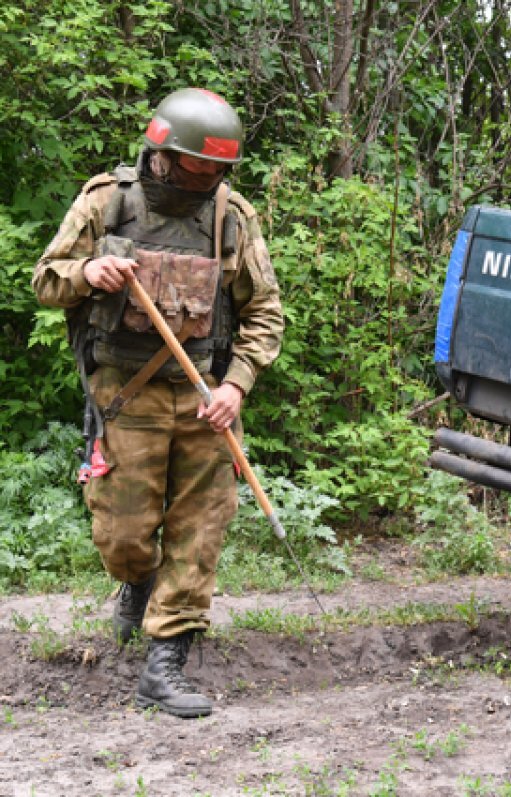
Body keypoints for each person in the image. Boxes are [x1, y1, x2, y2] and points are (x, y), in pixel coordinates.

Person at [31, 88, 284, 718]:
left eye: (217, 170)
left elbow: (263, 312)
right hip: (128, 396)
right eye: (197, 167)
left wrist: (236, 384)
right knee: (123, 538)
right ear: (162, 153)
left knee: (200, 531)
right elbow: (45, 278)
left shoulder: (232, 217)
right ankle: (136, 581)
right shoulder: (107, 202)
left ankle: (166, 660)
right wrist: (88, 273)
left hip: (206, 398)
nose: (206, 180)